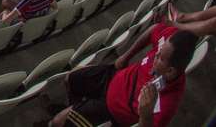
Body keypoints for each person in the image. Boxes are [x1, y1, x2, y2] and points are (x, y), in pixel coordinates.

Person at [49, 23, 198, 127]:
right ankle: (76, 107)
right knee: (70, 78)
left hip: (111, 110)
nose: (156, 54)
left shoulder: (167, 103)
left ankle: (76, 112)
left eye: (160, 58)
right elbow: (154, 29)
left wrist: (146, 116)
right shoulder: (169, 44)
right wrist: (126, 56)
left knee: (56, 123)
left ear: (170, 71)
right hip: (114, 75)